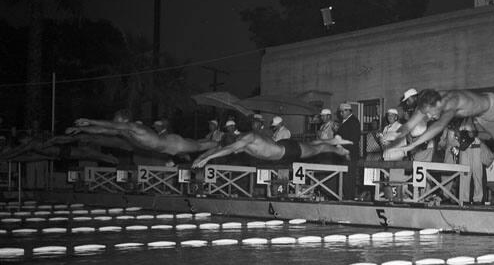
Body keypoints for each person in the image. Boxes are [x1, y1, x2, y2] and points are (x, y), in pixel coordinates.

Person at [384, 89, 494, 162]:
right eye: (427, 114)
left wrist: (410, 147)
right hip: (480, 115)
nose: (430, 116)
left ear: (439, 104)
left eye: (431, 113)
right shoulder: (426, 104)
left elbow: (437, 127)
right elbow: (408, 126)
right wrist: (397, 135)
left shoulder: (451, 102)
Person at [66, 115, 218, 157]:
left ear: (125, 120)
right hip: (164, 149)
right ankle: (215, 141)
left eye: (117, 120)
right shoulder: (124, 131)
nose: (114, 122)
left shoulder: (134, 127)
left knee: (199, 146)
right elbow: (102, 130)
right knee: (198, 143)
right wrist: (82, 129)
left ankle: (220, 143)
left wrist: (89, 120)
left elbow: (112, 126)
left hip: (173, 143)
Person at [192, 132, 351, 168]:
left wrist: (206, 160)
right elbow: (221, 148)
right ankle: (333, 140)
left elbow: (228, 149)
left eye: (235, 148)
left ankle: (339, 149)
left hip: (288, 150)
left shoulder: (248, 139)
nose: (235, 152)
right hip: (282, 151)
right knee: (312, 144)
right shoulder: (242, 145)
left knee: (319, 148)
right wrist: (202, 157)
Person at [400, 88, 435, 162]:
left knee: (420, 167)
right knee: (417, 167)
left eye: (408, 100)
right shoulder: (416, 109)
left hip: (423, 142)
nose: (407, 103)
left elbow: (432, 123)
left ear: (414, 97)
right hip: (416, 142)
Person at [337, 102, 361, 199]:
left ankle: (349, 198)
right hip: (344, 153)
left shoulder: (353, 121)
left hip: (350, 154)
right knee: (345, 177)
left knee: (349, 177)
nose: (341, 114)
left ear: (348, 111)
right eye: (340, 112)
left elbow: (354, 140)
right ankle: (346, 196)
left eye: (342, 112)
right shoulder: (345, 121)